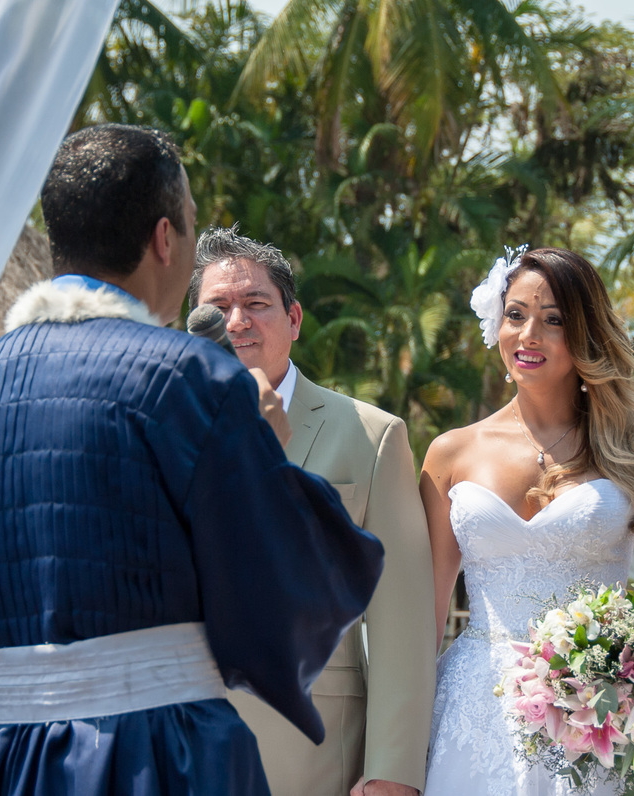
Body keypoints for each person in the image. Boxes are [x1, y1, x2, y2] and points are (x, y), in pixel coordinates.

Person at [0, 124, 385, 796]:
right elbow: (283, 589)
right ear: (165, 238)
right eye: (190, 221)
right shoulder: (190, 380)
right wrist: (267, 450)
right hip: (157, 756)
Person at [420, 246, 634, 795]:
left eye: (553, 321)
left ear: (585, 334)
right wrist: (392, 746)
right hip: (471, 712)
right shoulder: (450, 453)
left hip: (598, 715)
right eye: (516, 315)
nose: (528, 335)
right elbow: (425, 614)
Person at [189, 227, 436, 796]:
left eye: (256, 303)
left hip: (317, 757)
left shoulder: (371, 437)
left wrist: (393, 772)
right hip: (183, 749)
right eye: (218, 308)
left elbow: (402, 621)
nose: (237, 322)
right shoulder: (156, 428)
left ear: (294, 319)